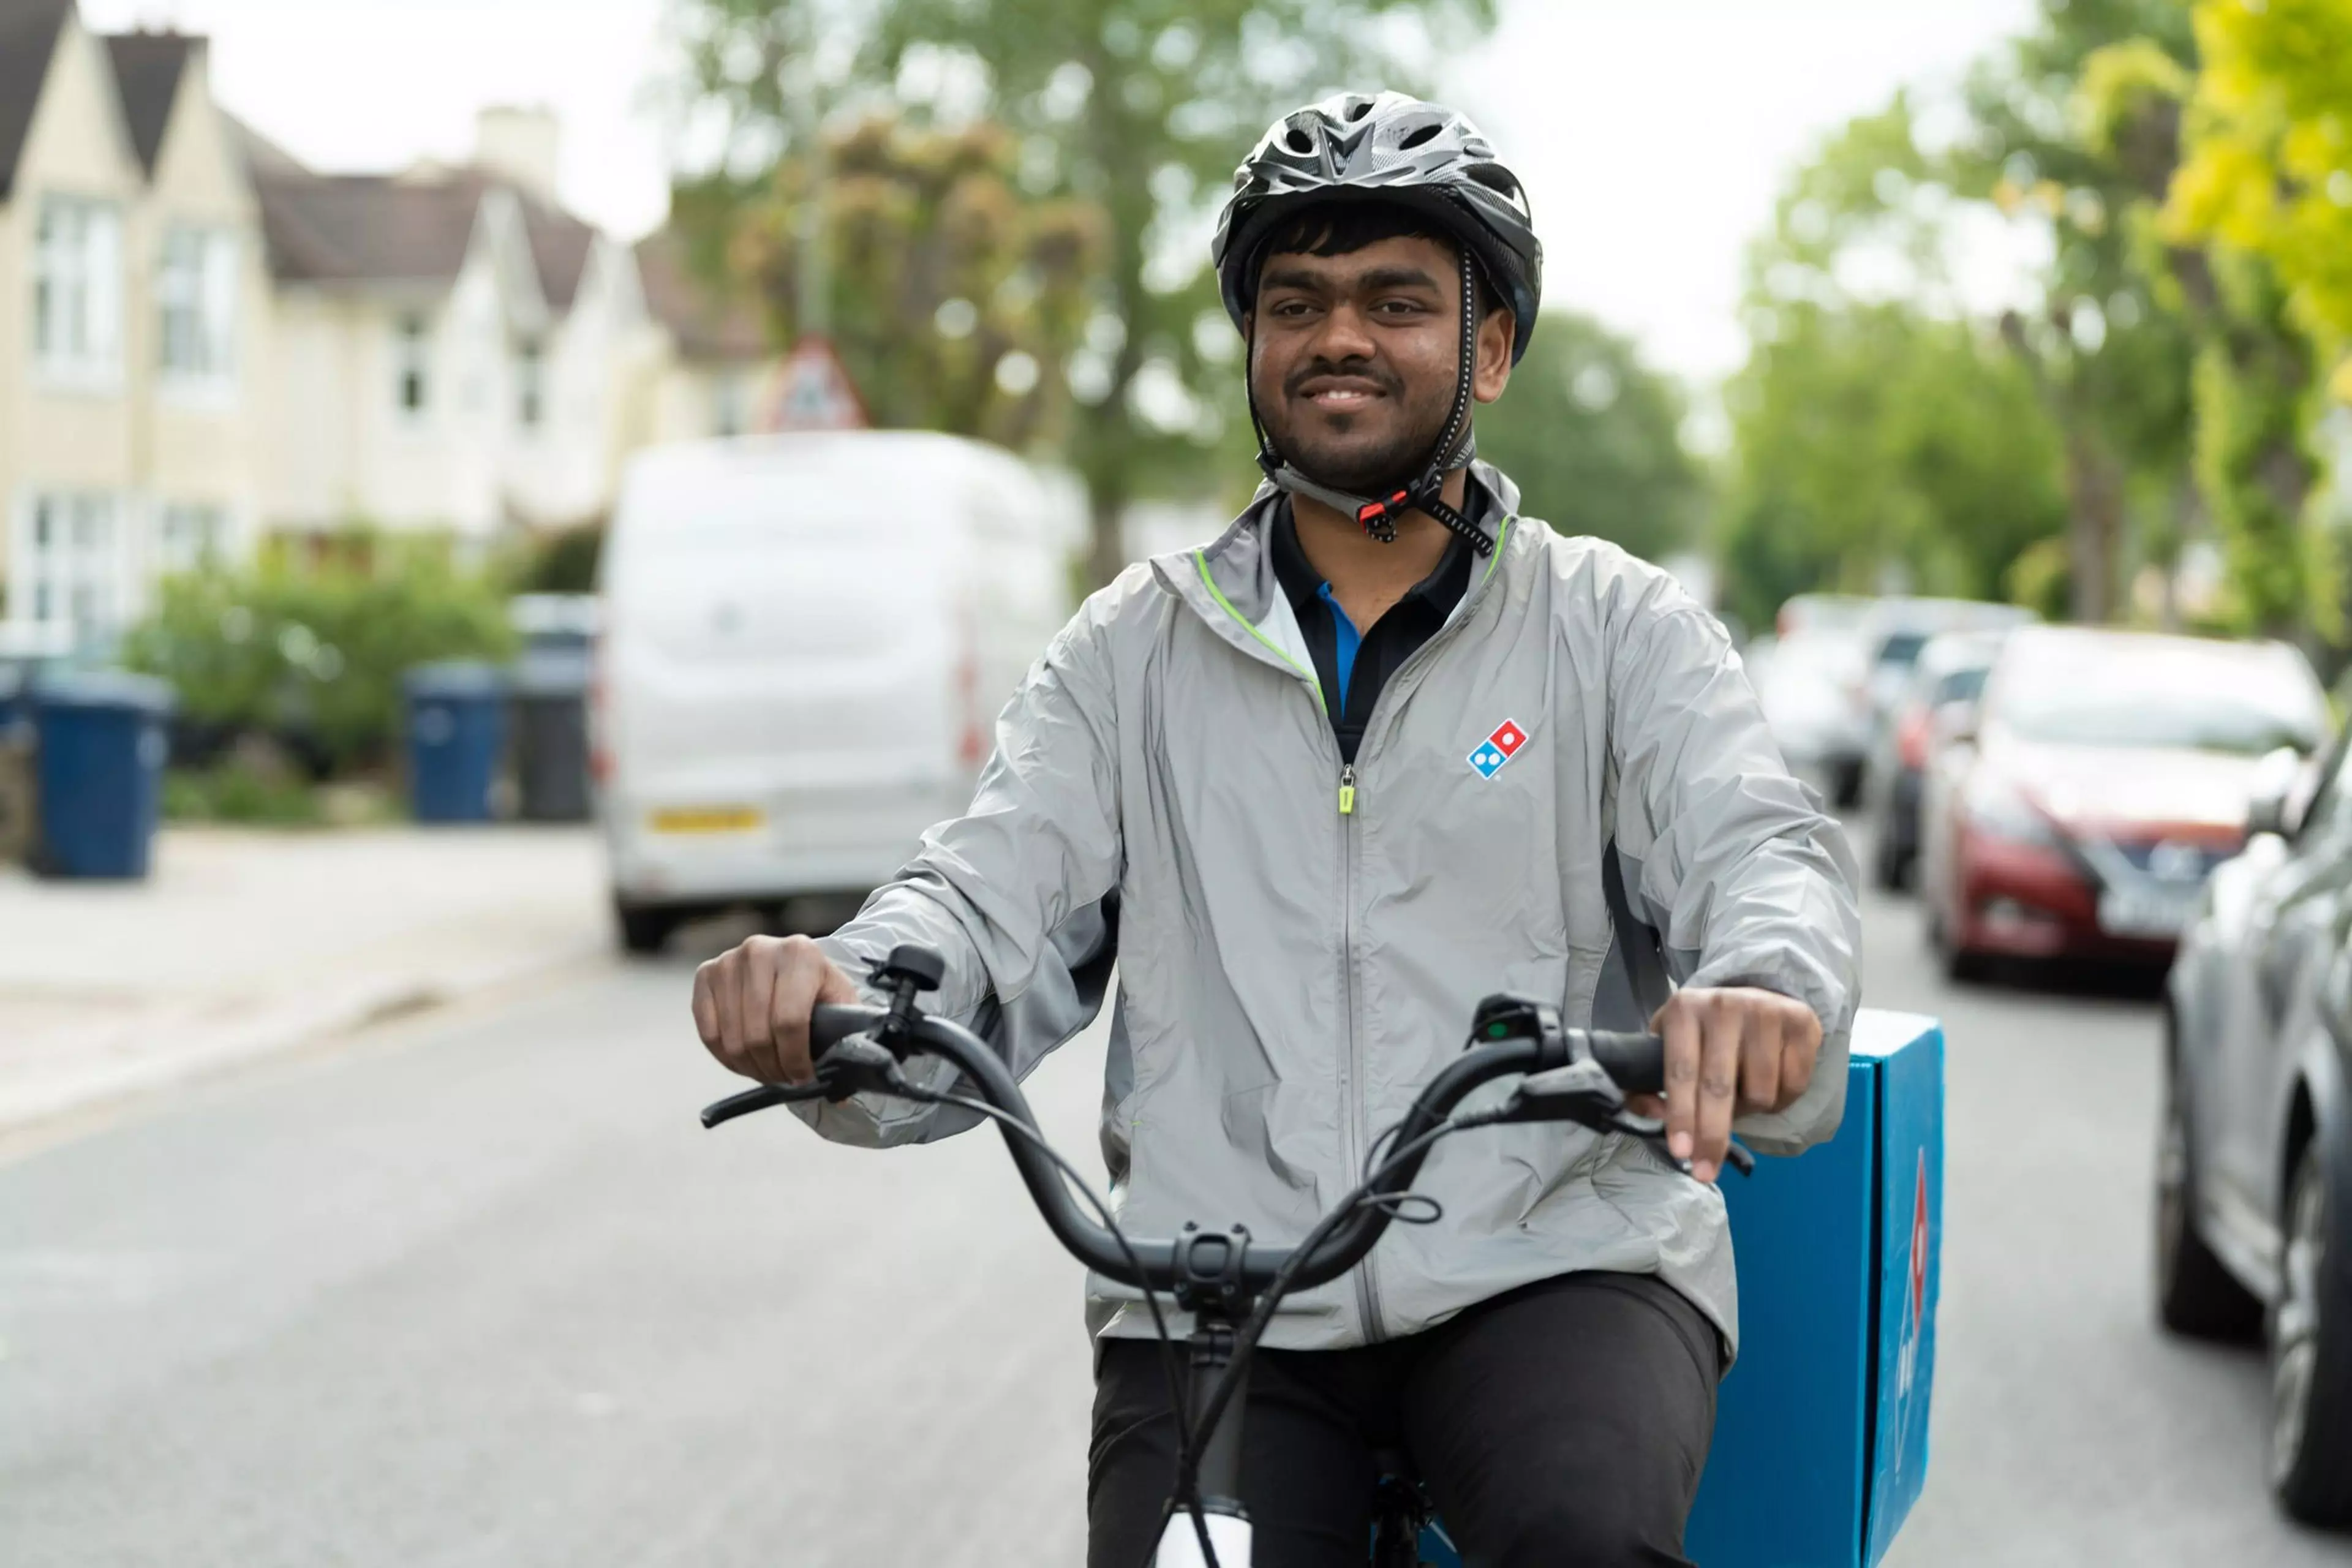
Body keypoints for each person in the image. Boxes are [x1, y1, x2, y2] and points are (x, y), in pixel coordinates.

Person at [693, 91, 1861, 1568]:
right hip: (1215, 1285)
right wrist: (849, 985)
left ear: (1490, 347)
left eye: (1396, 300)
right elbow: (985, 890)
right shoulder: (1131, 648)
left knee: (1586, 1537)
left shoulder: (1615, 628)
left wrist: (1764, 984)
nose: (1339, 336)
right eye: (1295, 301)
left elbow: (1761, 849)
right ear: (1254, 350)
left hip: (1555, 1252)